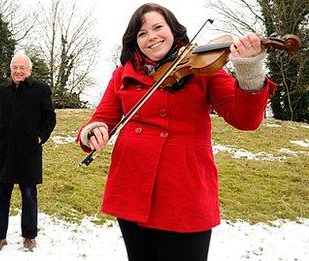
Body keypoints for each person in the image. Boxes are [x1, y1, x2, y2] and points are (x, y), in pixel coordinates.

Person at [77, 3, 276, 261]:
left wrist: (249, 70)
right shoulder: (122, 75)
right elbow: (102, 117)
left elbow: (245, 119)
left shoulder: (202, 68)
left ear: (173, 29)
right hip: (132, 187)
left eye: (158, 27)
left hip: (184, 192)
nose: (152, 37)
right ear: (134, 41)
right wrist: (93, 130)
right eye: (142, 33)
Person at [0, 52, 56, 251]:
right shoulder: (4, 90)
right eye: (15, 67)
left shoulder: (41, 90)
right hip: (4, 152)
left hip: (28, 152)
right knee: (1, 194)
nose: (18, 71)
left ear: (29, 70)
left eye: (22, 67)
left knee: (29, 195)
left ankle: (30, 236)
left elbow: (50, 119)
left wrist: (40, 137)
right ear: (11, 70)